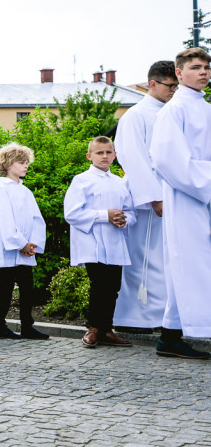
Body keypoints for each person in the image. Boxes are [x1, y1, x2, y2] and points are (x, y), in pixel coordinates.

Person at [150, 47, 211, 359]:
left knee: (197, 266)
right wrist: (206, 182)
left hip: (204, 196)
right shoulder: (173, 111)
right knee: (188, 265)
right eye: (196, 67)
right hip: (188, 198)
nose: (203, 72)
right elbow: (167, 159)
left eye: (206, 67)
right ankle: (175, 336)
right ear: (179, 73)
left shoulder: (206, 108)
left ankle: (171, 336)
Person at [113, 61, 176, 334]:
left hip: (172, 193)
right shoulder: (136, 116)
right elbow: (133, 158)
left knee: (165, 259)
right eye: (170, 85)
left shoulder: (171, 113)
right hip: (149, 198)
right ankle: (136, 318)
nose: (174, 90)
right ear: (153, 84)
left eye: (177, 85)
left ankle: (163, 316)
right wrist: (154, 196)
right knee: (143, 259)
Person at [65, 136, 136, 348]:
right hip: (93, 242)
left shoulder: (121, 183)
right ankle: (93, 328)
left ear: (114, 155)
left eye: (108, 152)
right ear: (90, 156)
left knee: (113, 287)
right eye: (99, 153)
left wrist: (125, 220)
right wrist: (106, 215)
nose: (104, 156)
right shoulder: (81, 180)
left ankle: (106, 329)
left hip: (115, 242)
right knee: (99, 284)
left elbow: (131, 212)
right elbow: (72, 213)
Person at [0, 143, 49, 340]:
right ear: (8, 163)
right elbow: (5, 220)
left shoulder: (25, 191)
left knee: (27, 287)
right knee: (6, 286)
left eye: (27, 162)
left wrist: (33, 243)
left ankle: (27, 325)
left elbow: (37, 219)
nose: (26, 166)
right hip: (9, 248)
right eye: (21, 162)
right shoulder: (1, 190)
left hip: (25, 249)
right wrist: (21, 243)